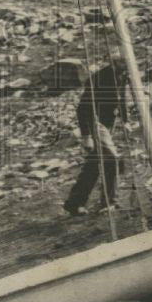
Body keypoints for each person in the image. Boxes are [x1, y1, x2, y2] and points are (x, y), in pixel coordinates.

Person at [64, 59, 131, 216]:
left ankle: (74, 202)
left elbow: (121, 98)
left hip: (108, 123)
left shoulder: (123, 74)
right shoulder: (99, 79)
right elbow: (82, 108)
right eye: (121, 63)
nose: (125, 66)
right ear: (113, 63)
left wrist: (125, 120)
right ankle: (109, 202)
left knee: (95, 162)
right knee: (111, 158)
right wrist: (86, 135)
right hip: (95, 121)